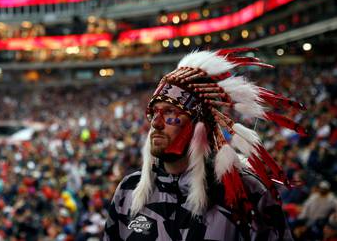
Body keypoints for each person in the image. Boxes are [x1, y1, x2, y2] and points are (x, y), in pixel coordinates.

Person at [103, 49, 304, 241]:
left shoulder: (247, 194)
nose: (156, 122)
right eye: (154, 112)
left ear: (199, 125)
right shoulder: (129, 191)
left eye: (171, 113)